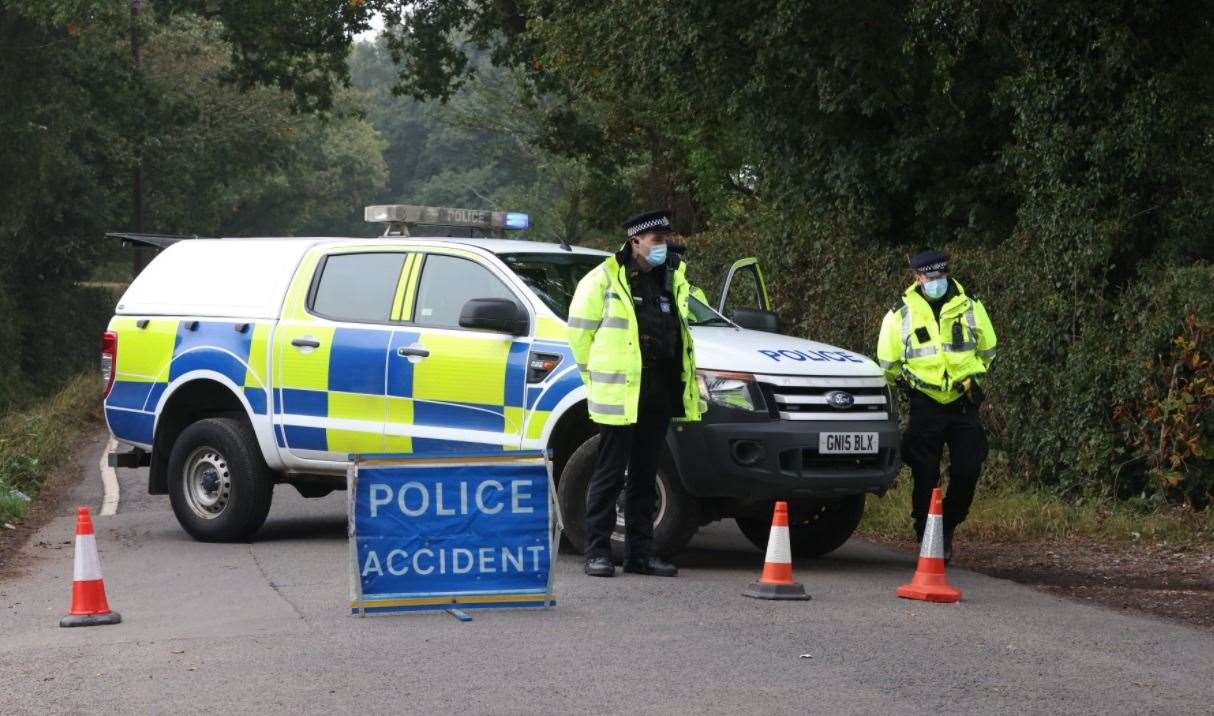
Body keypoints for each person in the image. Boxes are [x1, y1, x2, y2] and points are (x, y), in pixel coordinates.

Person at [567, 210, 703, 577]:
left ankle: (640, 555)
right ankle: (596, 552)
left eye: (666, 239)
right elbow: (579, 337)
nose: (663, 245)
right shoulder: (602, 280)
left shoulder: (672, 279)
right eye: (657, 239)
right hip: (620, 393)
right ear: (635, 241)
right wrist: (593, 379)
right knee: (609, 474)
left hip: (659, 389)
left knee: (646, 475)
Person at [876, 250, 997, 562]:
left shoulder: (970, 305)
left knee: (968, 469)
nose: (936, 283)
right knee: (925, 474)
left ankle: (948, 526)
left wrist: (971, 378)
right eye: (930, 278)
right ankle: (927, 533)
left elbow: (988, 349)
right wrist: (904, 385)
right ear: (917, 278)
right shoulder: (900, 313)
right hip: (924, 403)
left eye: (940, 277)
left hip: (962, 402)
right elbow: (887, 363)